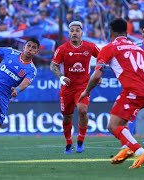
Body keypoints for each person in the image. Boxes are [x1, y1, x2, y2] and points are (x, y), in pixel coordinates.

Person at [78, 18, 144, 169]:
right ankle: (127, 149)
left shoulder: (109, 48)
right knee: (122, 123)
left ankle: (140, 151)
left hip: (133, 91)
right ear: (127, 32)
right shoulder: (138, 48)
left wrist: (86, 91)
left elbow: (97, 75)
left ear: (111, 32)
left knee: (112, 126)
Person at [50, 21, 100, 154]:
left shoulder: (90, 47)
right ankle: (68, 143)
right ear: (69, 33)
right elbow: (53, 65)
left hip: (83, 86)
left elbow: (102, 59)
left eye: (77, 30)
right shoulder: (62, 49)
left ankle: (80, 140)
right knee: (67, 117)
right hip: (67, 87)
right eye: (72, 30)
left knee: (83, 110)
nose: (74, 32)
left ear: (82, 33)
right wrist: (61, 76)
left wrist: (98, 74)